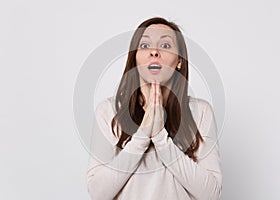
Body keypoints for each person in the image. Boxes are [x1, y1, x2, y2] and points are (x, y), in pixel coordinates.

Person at [86, 17, 222, 200]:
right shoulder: (109, 111)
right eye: (145, 46)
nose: (154, 52)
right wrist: (142, 135)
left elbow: (211, 194)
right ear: (135, 58)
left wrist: (160, 137)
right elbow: (98, 193)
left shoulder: (200, 112)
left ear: (179, 61)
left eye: (165, 45)